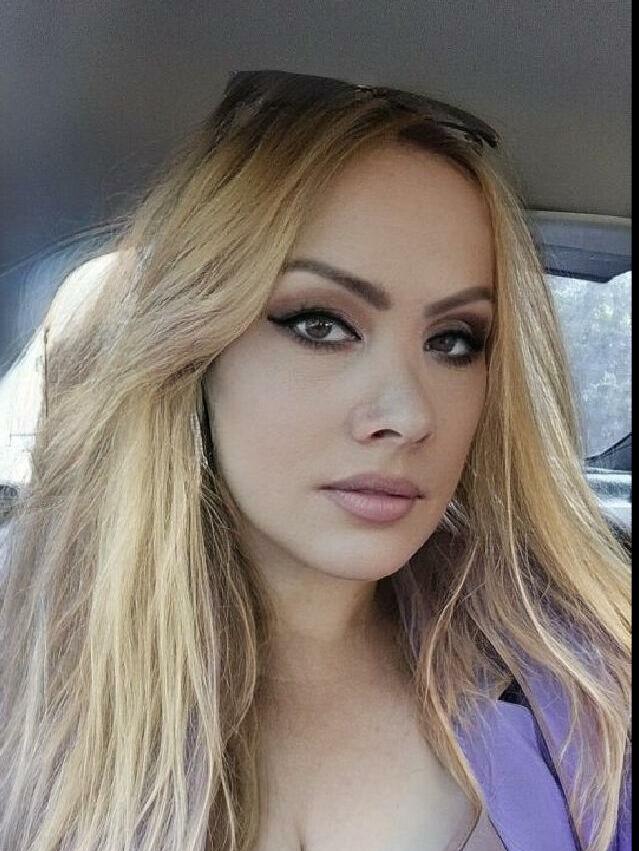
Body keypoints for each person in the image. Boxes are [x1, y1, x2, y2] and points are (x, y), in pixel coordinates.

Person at [0, 69, 630, 851]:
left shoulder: (585, 689)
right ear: (195, 345)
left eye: (453, 340)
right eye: (320, 324)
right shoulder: (29, 677)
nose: (408, 415)